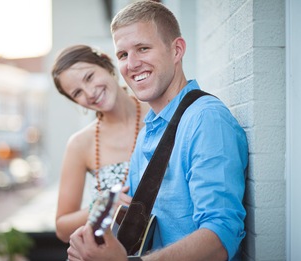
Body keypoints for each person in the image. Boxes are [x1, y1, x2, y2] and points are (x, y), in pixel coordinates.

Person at [67, 1, 248, 261]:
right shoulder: (149, 130)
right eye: (123, 55)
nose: (132, 64)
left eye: (143, 48)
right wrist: (91, 241)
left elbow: (221, 237)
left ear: (176, 50)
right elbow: (127, 212)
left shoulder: (206, 120)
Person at [52, 45, 149, 243]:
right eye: (77, 93)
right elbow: (62, 229)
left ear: (105, 63)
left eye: (89, 77)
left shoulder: (160, 114)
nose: (89, 92)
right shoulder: (80, 144)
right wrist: (99, 207)